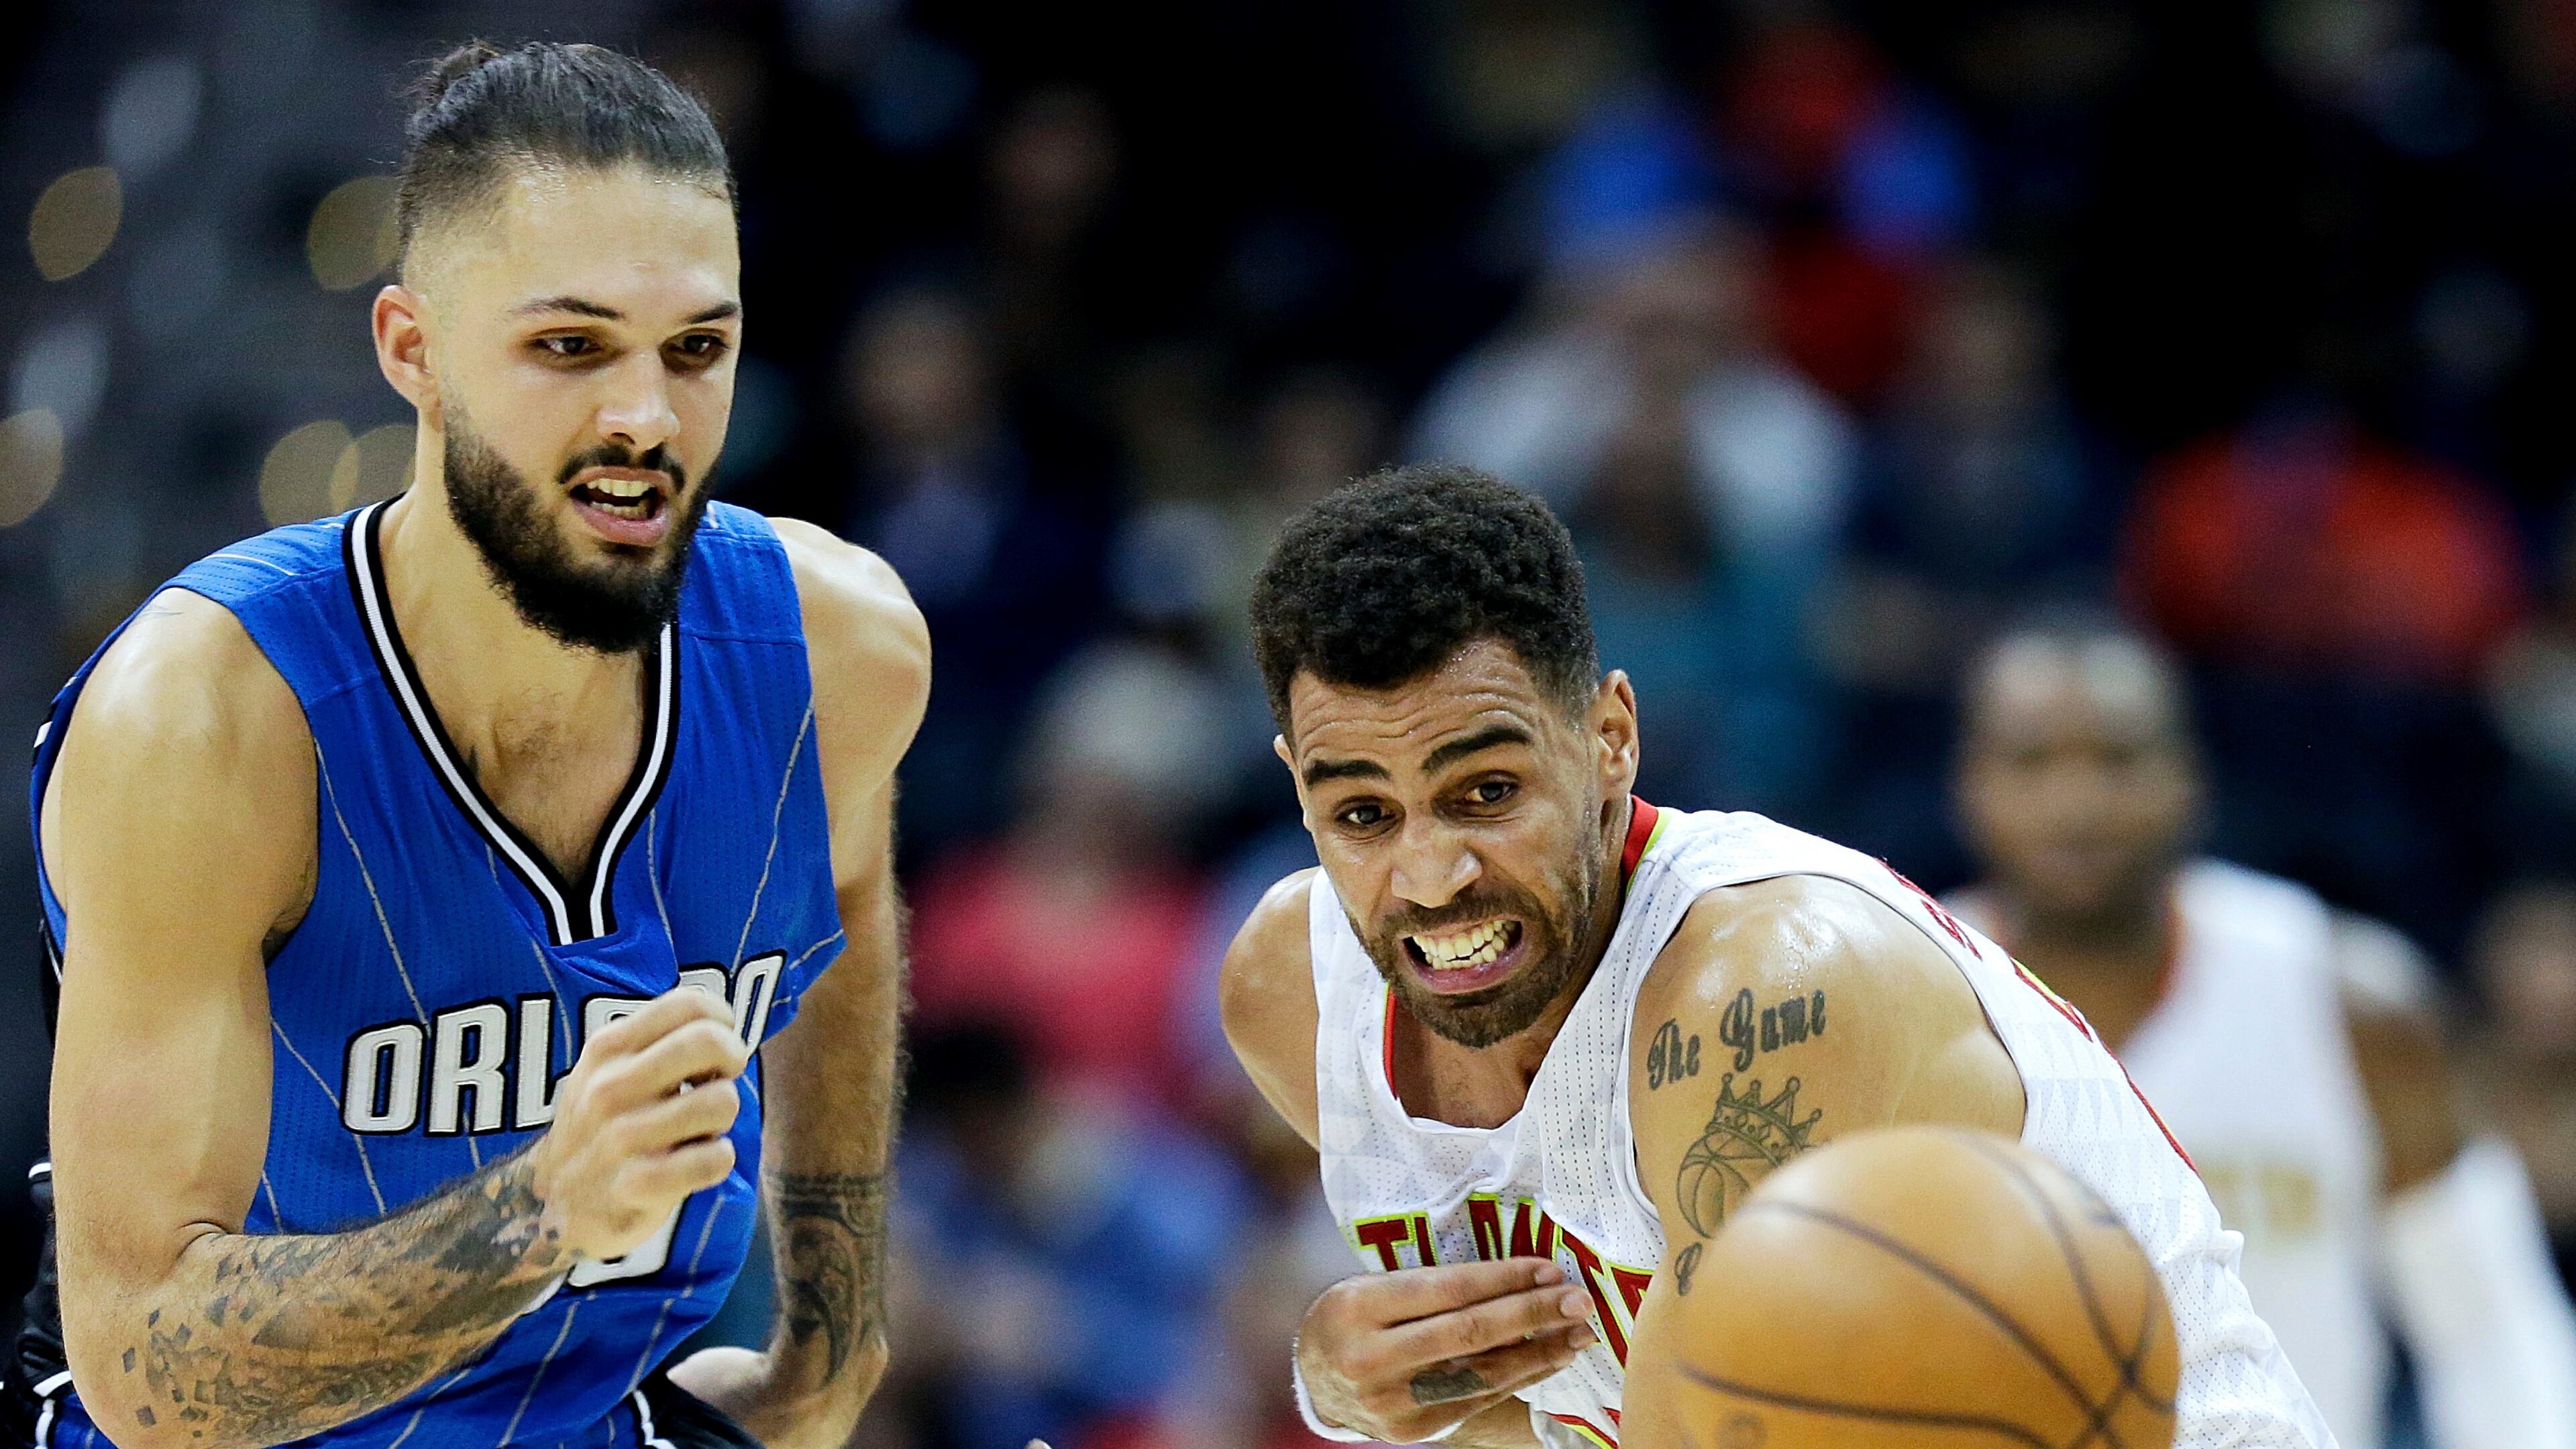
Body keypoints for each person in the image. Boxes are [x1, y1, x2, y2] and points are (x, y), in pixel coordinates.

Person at [4, 42, 926, 1449]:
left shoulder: (840, 652)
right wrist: (542, 1212)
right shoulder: (205, 720)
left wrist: (829, 1345)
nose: (645, 416)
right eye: (571, 347)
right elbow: (144, 1368)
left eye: (697, 351)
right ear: (410, 352)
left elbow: (848, 919)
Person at [1218, 464, 2334, 1449]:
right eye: (1364, 815)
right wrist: (1348, 1394)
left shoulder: (1763, 989)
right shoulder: (1296, 993)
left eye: (1488, 793)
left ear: (1610, 740)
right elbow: (1563, 1414)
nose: (1430, 876)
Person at [1947, 623, 2576, 1449]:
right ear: (1969, 785)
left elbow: (2492, 1331)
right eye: (2033, 763)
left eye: (2119, 761)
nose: (2078, 803)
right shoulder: (1909, 995)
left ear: (2191, 778)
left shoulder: (2351, 1002)